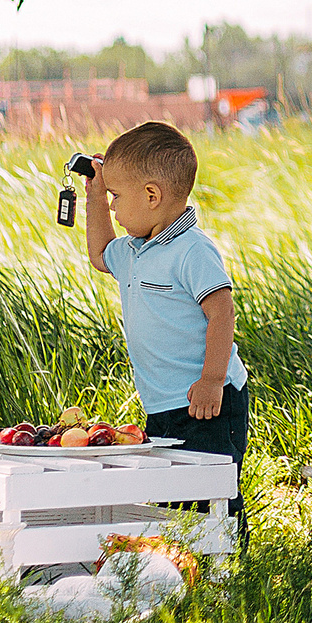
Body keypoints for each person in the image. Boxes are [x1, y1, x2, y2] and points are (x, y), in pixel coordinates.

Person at [83, 121, 252, 542]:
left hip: (208, 400)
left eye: (117, 198)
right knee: (173, 495)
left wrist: (212, 379)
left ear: (153, 196)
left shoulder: (192, 250)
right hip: (163, 402)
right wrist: (95, 197)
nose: (115, 208)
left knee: (213, 492)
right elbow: (100, 254)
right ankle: (182, 564)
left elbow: (222, 313)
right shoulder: (134, 249)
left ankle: (227, 566)